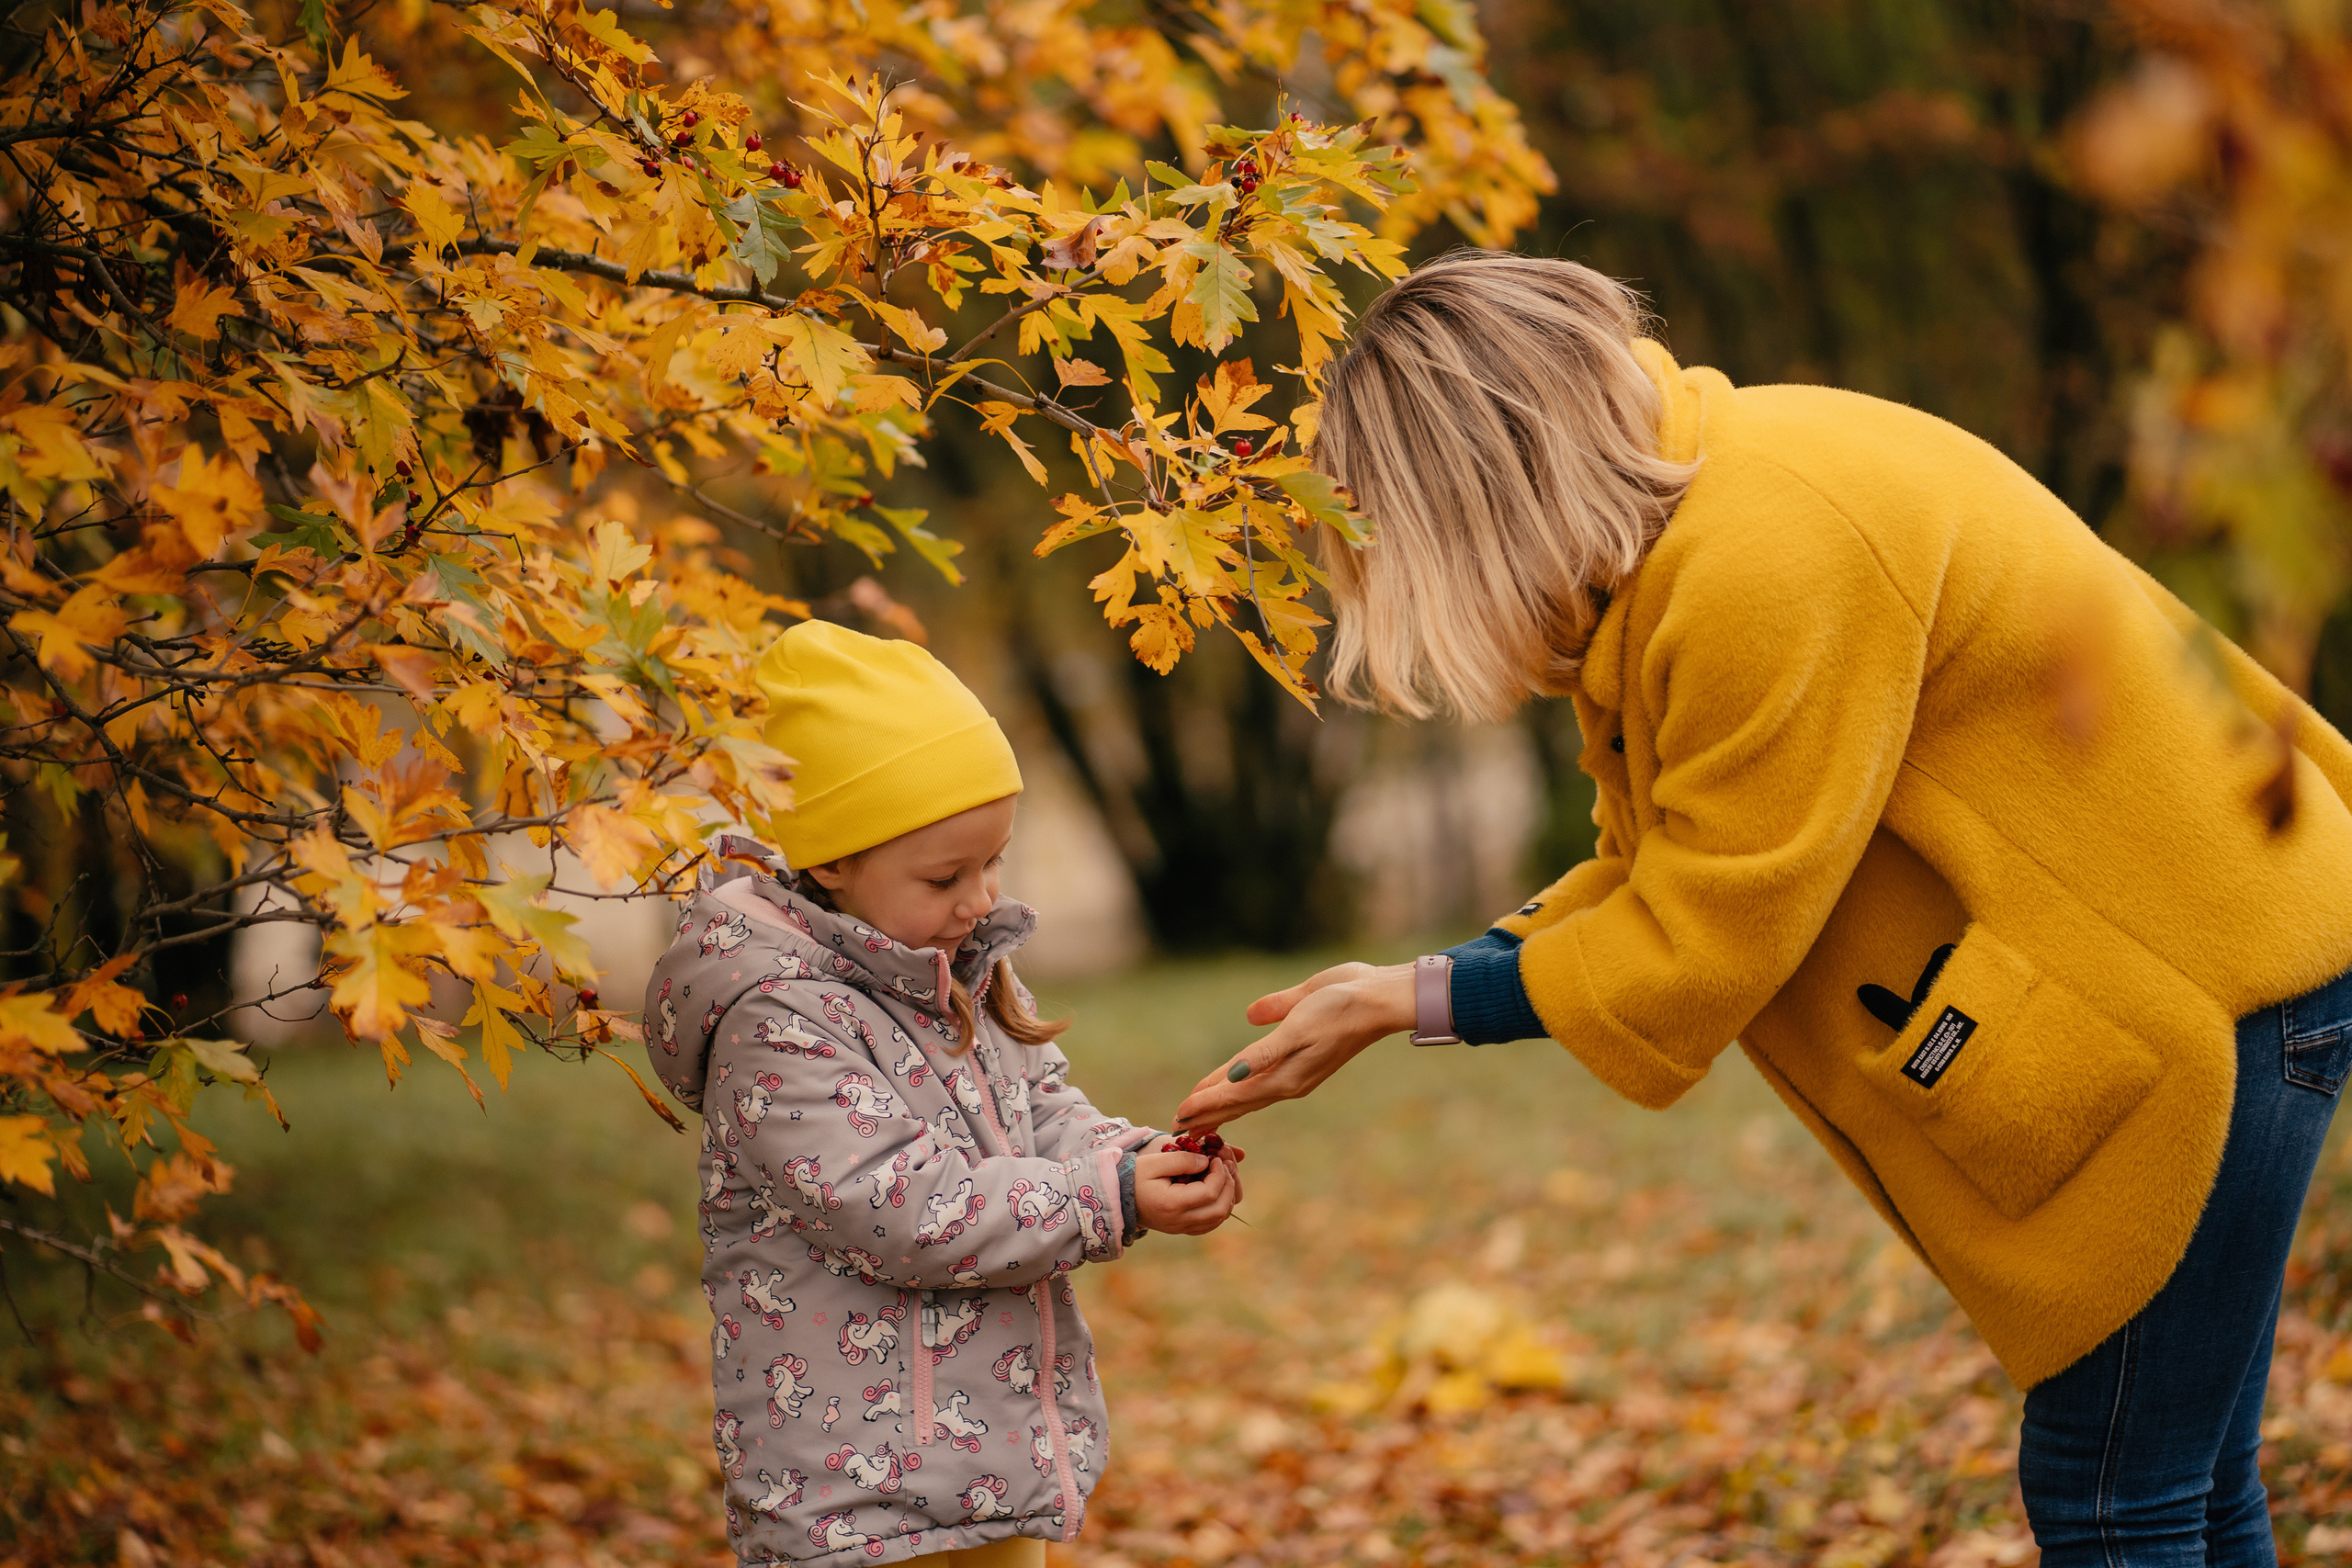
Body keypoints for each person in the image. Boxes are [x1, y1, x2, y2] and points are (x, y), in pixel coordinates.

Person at [1173, 250, 2352, 1566]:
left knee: (2113, 1487)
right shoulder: (1701, 530)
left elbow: (1707, 928)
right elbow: (1653, 857)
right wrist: (1413, 982)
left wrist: (1409, 1003)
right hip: (2223, 958)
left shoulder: (1764, 558)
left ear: (1475, 495)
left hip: (2212, 989)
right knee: (2177, 1478)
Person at [646, 620, 1243, 1568]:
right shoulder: (775, 1021)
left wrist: (1129, 1159)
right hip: (860, 1499)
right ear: (831, 860)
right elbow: (900, 1209)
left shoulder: (952, 968)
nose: (980, 897)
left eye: (994, 861)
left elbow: (1038, 1106)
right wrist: (1108, 1200)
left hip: (981, 1465)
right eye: (945, 874)